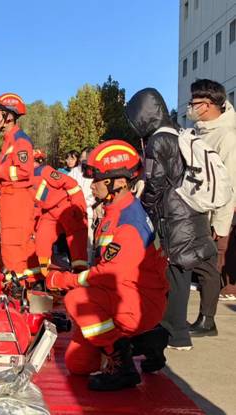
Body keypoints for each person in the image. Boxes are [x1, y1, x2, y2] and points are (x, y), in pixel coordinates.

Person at [46, 140, 168, 391]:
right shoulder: (116, 211)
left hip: (138, 302)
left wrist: (64, 280)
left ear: (119, 182)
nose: (92, 185)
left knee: (76, 299)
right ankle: (146, 340)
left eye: (98, 180)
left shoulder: (128, 223)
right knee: (78, 364)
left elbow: (108, 273)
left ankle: (123, 365)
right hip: (126, 295)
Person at [125, 88, 217, 350]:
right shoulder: (178, 133)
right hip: (191, 211)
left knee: (175, 276)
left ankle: (176, 334)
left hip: (173, 217)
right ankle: (183, 327)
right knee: (188, 271)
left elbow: (154, 182)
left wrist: (142, 208)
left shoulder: (157, 141)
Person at [190, 79, 236, 305]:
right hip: (197, 212)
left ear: (207, 105)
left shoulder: (227, 136)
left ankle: (208, 317)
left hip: (216, 216)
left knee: (214, 267)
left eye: (194, 102)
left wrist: (220, 223)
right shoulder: (197, 133)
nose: (190, 107)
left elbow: (230, 183)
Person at [0, 93, 37, 273]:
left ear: (9, 116)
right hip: (10, 199)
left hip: (17, 201)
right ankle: (23, 281)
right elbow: (1, 172)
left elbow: (23, 171)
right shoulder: (9, 141)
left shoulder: (20, 141)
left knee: (14, 248)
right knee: (13, 247)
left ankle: (17, 284)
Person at [33, 149, 88, 271]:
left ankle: (79, 272)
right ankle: (44, 271)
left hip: (66, 207)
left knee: (76, 241)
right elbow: (36, 203)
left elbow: (71, 184)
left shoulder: (45, 171)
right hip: (49, 212)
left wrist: (78, 206)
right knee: (42, 238)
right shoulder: (25, 178)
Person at [68, 146, 96, 259]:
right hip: (74, 211)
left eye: (84, 159)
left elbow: (95, 194)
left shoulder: (95, 171)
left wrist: (87, 203)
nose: (81, 161)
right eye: (81, 158)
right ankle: (76, 262)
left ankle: (87, 263)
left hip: (88, 211)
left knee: (88, 242)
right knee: (74, 241)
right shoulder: (75, 171)